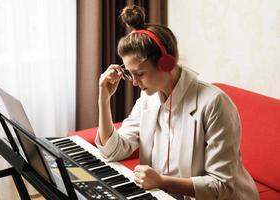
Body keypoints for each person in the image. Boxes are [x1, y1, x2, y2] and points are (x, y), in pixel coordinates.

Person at [96, 5, 259, 200]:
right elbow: (113, 150)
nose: (134, 82)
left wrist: (162, 182)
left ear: (167, 63)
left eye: (139, 73)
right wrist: (104, 99)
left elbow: (221, 186)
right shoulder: (147, 98)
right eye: (129, 73)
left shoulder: (215, 103)